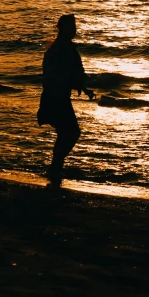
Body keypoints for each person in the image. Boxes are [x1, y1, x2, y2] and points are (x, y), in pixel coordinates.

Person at [37, 14, 95, 185]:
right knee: (71, 132)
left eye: (75, 27)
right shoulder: (60, 49)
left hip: (57, 97)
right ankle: (55, 167)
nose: (75, 30)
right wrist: (79, 86)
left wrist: (83, 88)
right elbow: (59, 74)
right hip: (56, 97)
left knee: (66, 133)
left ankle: (55, 168)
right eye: (72, 27)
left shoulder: (63, 47)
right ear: (63, 28)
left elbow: (73, 73)